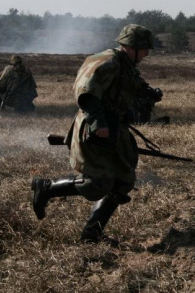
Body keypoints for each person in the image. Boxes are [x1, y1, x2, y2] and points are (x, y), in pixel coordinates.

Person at [31, 24, 154, 244]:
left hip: (115, 128)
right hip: (96, 128)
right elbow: (86, 92)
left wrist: (147, 95)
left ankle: (91, 234)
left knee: (122, 181)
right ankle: (47, 188)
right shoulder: (107, 62)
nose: (147, 53)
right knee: (97, 183)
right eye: (145, 49)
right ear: (132, 46)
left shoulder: (125, 65)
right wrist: (99, 122)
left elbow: (125, 90)